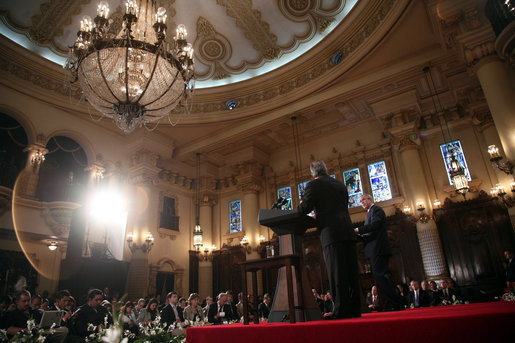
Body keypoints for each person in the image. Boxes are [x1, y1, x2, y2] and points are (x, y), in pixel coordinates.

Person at [298, 160, 361, 319]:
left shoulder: (314, 185)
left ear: (313, 173)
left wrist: (295, 211)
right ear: (325, 170)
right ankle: (355, 310)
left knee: (336, 272)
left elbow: (305, 208)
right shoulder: (339, 184)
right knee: (350, 272)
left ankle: (341, 311)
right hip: (347, 230)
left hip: (331, 233)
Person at [354, 194, 404, 311]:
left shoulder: (376, 210)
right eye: (360, 202)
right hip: (374, 249)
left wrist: (358, 230)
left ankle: (395, 303)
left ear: (370, 199)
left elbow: (375, 225)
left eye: (363, 200)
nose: (362, 203)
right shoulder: (369, 213)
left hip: (378, 249)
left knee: (381, 276)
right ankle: (393, 302)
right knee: (381, 277)